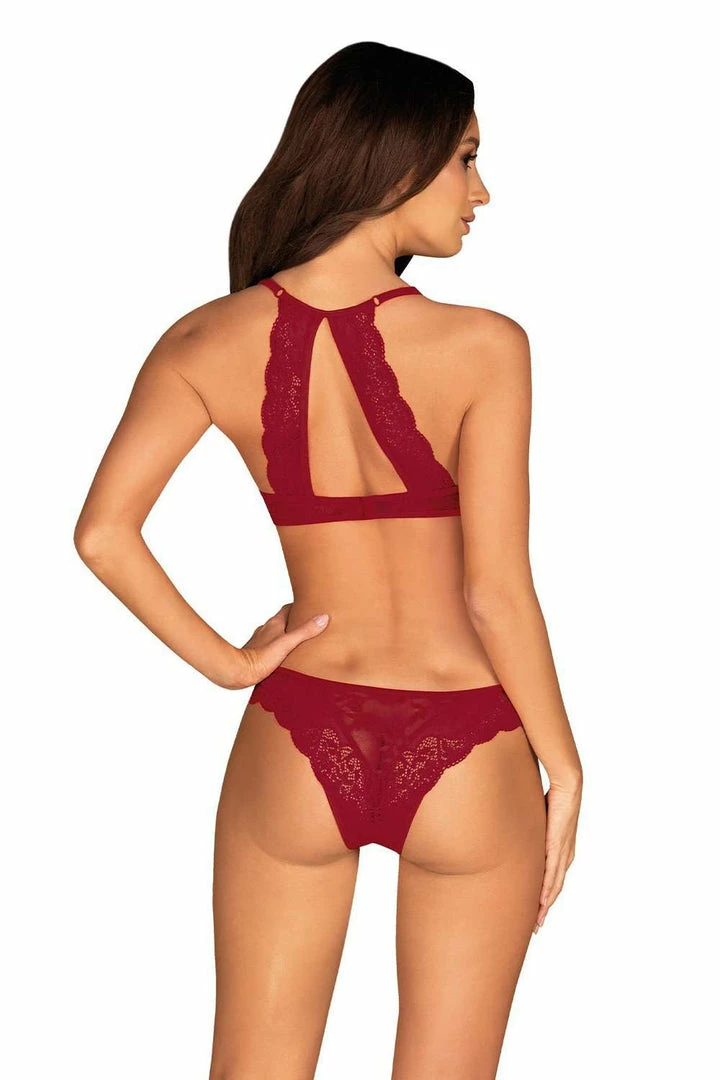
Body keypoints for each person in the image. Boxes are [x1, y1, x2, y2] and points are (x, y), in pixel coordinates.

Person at [74, 40, 583, 1080]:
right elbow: (495, 594)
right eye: (466, 158)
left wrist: (231, 665)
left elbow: (102, 533)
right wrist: (565, 767)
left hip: (296, 733)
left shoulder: (202, 340)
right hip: (470, 744)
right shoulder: (486, 346)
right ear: (397, 160)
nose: (481, 192)